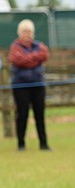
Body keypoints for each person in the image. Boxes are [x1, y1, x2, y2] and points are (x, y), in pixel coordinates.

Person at [7, 19, 51, 151]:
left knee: (40, 114)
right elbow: (18, 60)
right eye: (25, 31)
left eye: (29, 31)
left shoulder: (39, 45)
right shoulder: (15, 47)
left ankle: (43, 144)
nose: (27, 34)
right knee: (22, 114)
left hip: (38, 84)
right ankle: (21, 144)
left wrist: (29, 58)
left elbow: (45, 55)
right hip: (21, 85)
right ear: (19, 33)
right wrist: (34, 58)